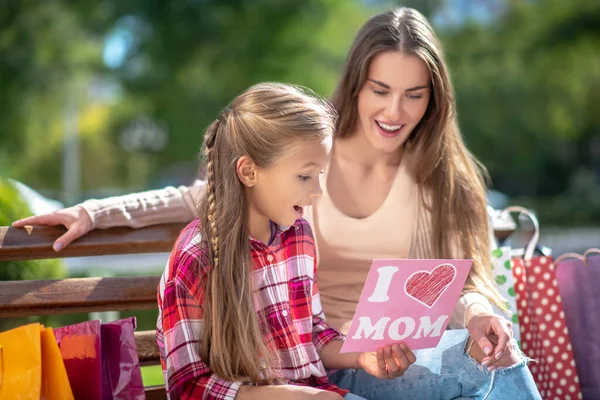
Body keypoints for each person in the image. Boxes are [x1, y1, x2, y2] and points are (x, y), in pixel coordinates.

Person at [14, 7, 541, 399]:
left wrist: (475, 314)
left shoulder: (443, 181)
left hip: (381, 355)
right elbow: (205, 194)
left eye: (415, 94)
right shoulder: (305, 155)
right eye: (381, 89)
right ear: (357, 85)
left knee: (498, 361)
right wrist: (94, 211)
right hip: (322, 371)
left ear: (434, 98)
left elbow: (464, 282)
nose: (395, 110)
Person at [157, 82, 411, 399]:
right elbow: (188, 388)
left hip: (321, 390)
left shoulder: (298, 235)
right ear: (249, 172)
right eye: (305, 176)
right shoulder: (197, 256)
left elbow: (313, 332)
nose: (317, 191)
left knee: (475, 368)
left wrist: (361, 355)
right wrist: (295, 397)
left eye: (320, 174)